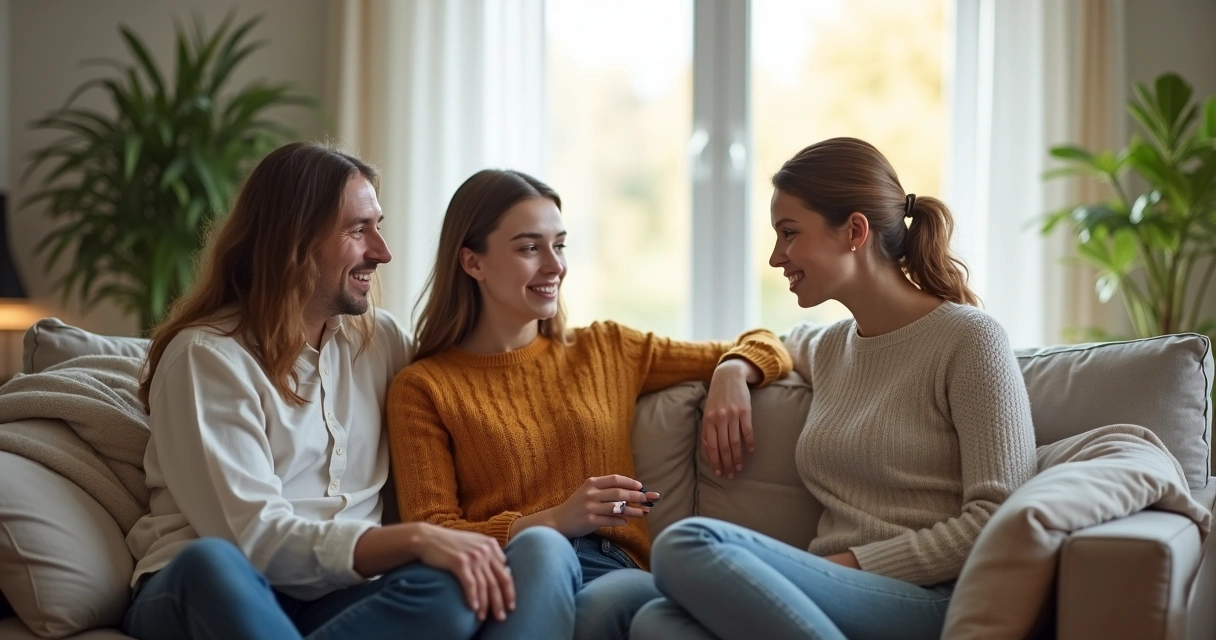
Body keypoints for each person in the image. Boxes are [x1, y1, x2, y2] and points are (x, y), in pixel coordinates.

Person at [124, 143, 580, 640]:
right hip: (214, 587)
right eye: (358, 230)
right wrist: (416, 538)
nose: (381, 252)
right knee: (212, 564)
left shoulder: (381, 342)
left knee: (454, 590)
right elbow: (254, 540)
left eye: (378, 226)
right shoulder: (208, 356)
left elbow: (461, 410)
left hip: (337, 596)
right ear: (293, 240)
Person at [630, 137, 1039, 640]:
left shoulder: (970, 340)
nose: (778, 257)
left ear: (854, 231)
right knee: (655, 624)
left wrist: (847, 564)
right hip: (833, 593)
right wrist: (731, 371)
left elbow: (999, 519)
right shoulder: (830, 347)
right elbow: (773, 343)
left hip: (932, 598)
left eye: (788, 233)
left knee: (686, 544)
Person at [386, 168, 794, 640]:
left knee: (598, 603)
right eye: (529, 247)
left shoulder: (607, 350)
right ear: (472, 262)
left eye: (559, 245)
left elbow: (770, 342)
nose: (555, 266)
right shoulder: (423, 387)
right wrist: (555, 520)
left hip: (615, 572)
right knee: (543, 547)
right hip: (504, 572)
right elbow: (430, 532)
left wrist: (731, 370)